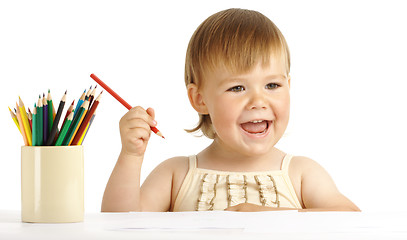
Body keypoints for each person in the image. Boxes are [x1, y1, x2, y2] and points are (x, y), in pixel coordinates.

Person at [101, 8, 360, 212]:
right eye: (237, 88)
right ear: (199, 99)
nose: (258, 101)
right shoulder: (176, 175)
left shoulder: (301, 173)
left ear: (289, 86)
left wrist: (272, 215)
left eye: (272, 84)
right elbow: (120, 224)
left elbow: (349, 216)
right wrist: (131, 156)